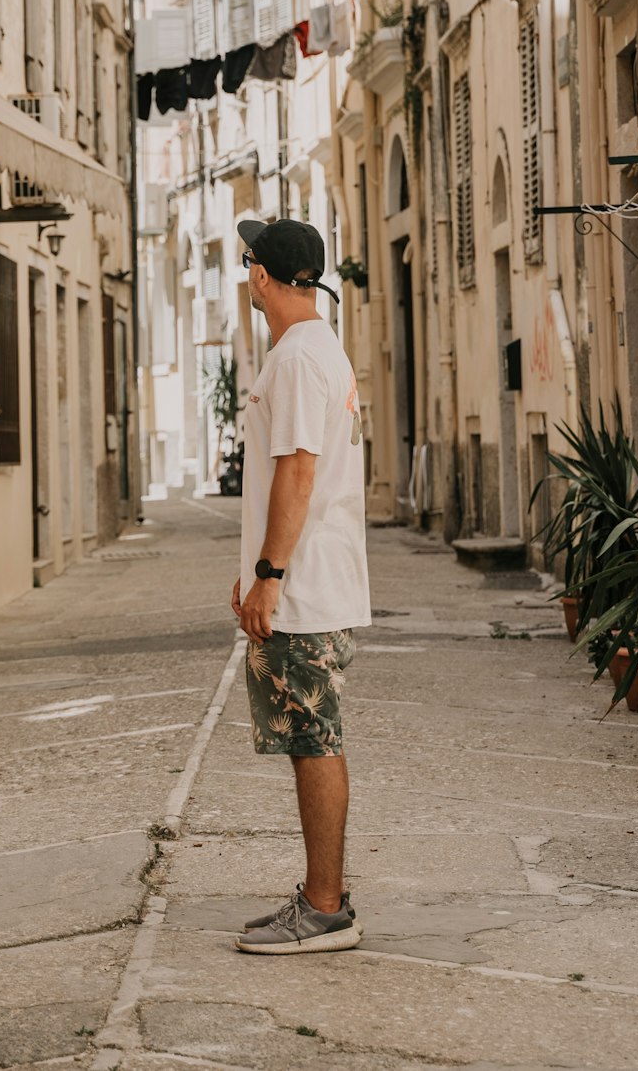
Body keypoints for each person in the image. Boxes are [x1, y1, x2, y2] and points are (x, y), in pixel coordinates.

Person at [230, 217, 371, 955]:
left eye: (247, 262)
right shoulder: (324, 349)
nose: (245, 275)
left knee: (315, 738)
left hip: (303, 586)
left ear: (261, 276)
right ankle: (322, 896)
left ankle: (324, 907)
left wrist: (267, 575)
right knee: (311, 737)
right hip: (314, 579)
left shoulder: (294, 358)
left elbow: (297, 471)